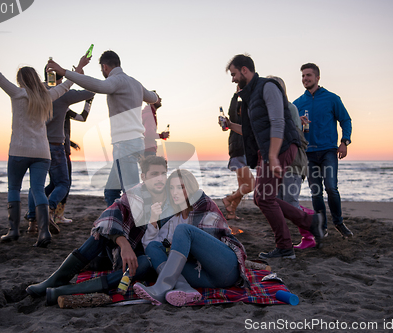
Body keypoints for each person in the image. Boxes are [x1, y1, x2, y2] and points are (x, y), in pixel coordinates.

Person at [0, 33, 88, 248]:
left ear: (21, 80)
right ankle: (43, 233)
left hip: (19, 151)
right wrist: (79, 68)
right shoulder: (47, 97)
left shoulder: (16, 93)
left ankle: (13, 230)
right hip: (42, 153)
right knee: (38, 190)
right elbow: (66, 85)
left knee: (14, 188)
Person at [26, 156, 175, 305]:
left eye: (163, 174)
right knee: (102, 232)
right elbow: (110, 214)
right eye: (154, 174)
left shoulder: (172, 198)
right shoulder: (135, 194)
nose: (159, 179)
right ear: (143, 177)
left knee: (145, 263)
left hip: (151, 258)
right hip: (126, 251)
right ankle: (57, 280)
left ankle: (65, 290)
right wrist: (124, 245)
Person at [224, 54, 324, 260]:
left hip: (280, 148)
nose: (233, 79)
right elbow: (251, 130)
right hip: (269, 151)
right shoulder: (251, 97)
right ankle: (309, 223)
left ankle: (286, 246)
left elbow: (278, 122)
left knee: (264, 198)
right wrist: (230, 125)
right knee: (263, 198)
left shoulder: (267, 87)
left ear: (245, 70)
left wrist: (272, 155)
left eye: (234, 74)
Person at [47, 51, 158, 207]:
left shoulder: (117, 80)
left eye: (101, 70)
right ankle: (117, 225)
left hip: (125, 145)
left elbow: (99, 86)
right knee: (111, 193)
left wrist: (65, 72)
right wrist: (149, 94)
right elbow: (153, 98)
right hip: (134, 144)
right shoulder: (135, 83)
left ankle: (140, 229)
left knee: (132, 193)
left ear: (105, 67)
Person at [133, 169, 249, 306]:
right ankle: (184, 288)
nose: (175, 192)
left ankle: (161, 287)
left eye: (180, 187)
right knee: (154, 247)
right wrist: (153, 220)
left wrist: (179, 245)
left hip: (225, 269)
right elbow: (150, 247)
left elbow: (213, 241)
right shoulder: (173, 218)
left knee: (183, 231)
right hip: (203, 276)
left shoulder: (204, 206)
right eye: (171, 188)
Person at [26, 69, 95, 233]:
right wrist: (78, 76)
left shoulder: (36, 93)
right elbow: (91, 90)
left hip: (36, 145)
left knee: (38, 185)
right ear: (62, 78)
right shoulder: (62, 96)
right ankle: (51, 211)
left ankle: (32, 222)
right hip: (57, 147)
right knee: (63, 183)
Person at [293, 63, 353, 238]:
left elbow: (346, 120)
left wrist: (345, 141)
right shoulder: (297, 103)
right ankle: (322, 227)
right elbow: (291, 128)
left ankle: (339, 222)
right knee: (316, 191)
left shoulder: (332, 98)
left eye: (309, 75)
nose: (305, 79)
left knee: (331, 188)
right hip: (308, 154)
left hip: (328, 151)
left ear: (318, 77)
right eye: (303, 76)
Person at [267, 76, 316, 250]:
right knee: (279, 202)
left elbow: (296, 140)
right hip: (280, 164)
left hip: (293, 163)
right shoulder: (273, 110)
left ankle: (310, 234)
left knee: (290, 202)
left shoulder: (289, 108)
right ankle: (311, 218)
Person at [220, 89, 255, 220]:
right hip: (237, 155)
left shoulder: (247, 124)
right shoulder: (236, 120)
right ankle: (228, 199)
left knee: (242, 187)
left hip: (243, 156)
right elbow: (231, 110)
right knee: (251, 185)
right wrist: (236, 94)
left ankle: (231, 213)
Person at [142, 92, 169, 157]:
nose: (160, 99)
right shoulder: (149, 115)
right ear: (152, 100)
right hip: (148, 150)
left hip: (144, 149)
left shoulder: (146, 113)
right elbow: (148, 133)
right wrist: (162, 135)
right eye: (158, 97)